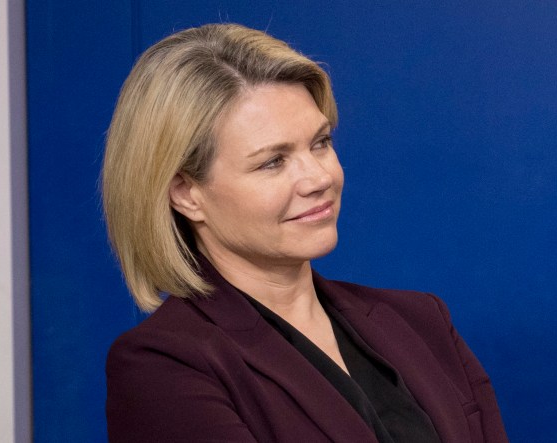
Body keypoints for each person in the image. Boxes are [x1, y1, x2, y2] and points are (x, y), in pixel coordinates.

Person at [103, 23, 508, 443]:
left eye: (320, 143)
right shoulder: (165, 365)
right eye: (272, 162)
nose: (318, 177)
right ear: (186, 193)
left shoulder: (421, 322)